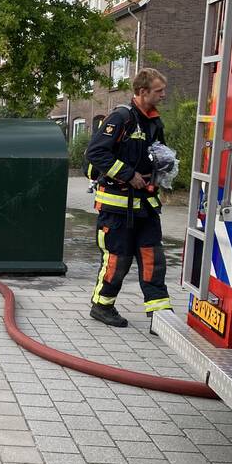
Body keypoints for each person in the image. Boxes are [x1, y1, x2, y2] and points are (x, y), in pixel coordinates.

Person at [85, 68, 172, 327]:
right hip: (117, 208)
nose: (163, 95)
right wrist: (128, 174)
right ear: (142, 91)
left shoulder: (154, 121)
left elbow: (159, 153)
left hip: (145, 206)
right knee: (117, 259)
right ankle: (102, 306)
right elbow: (95, 153)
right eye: (159, 91)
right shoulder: (121, 118)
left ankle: (160, 314)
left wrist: (165, 168)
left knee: (153, 258)